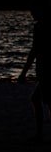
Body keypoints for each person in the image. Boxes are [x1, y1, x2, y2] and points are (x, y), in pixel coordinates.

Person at [19, 9, 50, 141]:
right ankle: (39, 134)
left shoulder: (40, 27)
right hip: (44, 68)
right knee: (38, 99)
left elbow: (34, 51)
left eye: (34, 10)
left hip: (45, 69)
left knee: (40, 100)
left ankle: (39, 134)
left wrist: (24, 72)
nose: (32, 13)